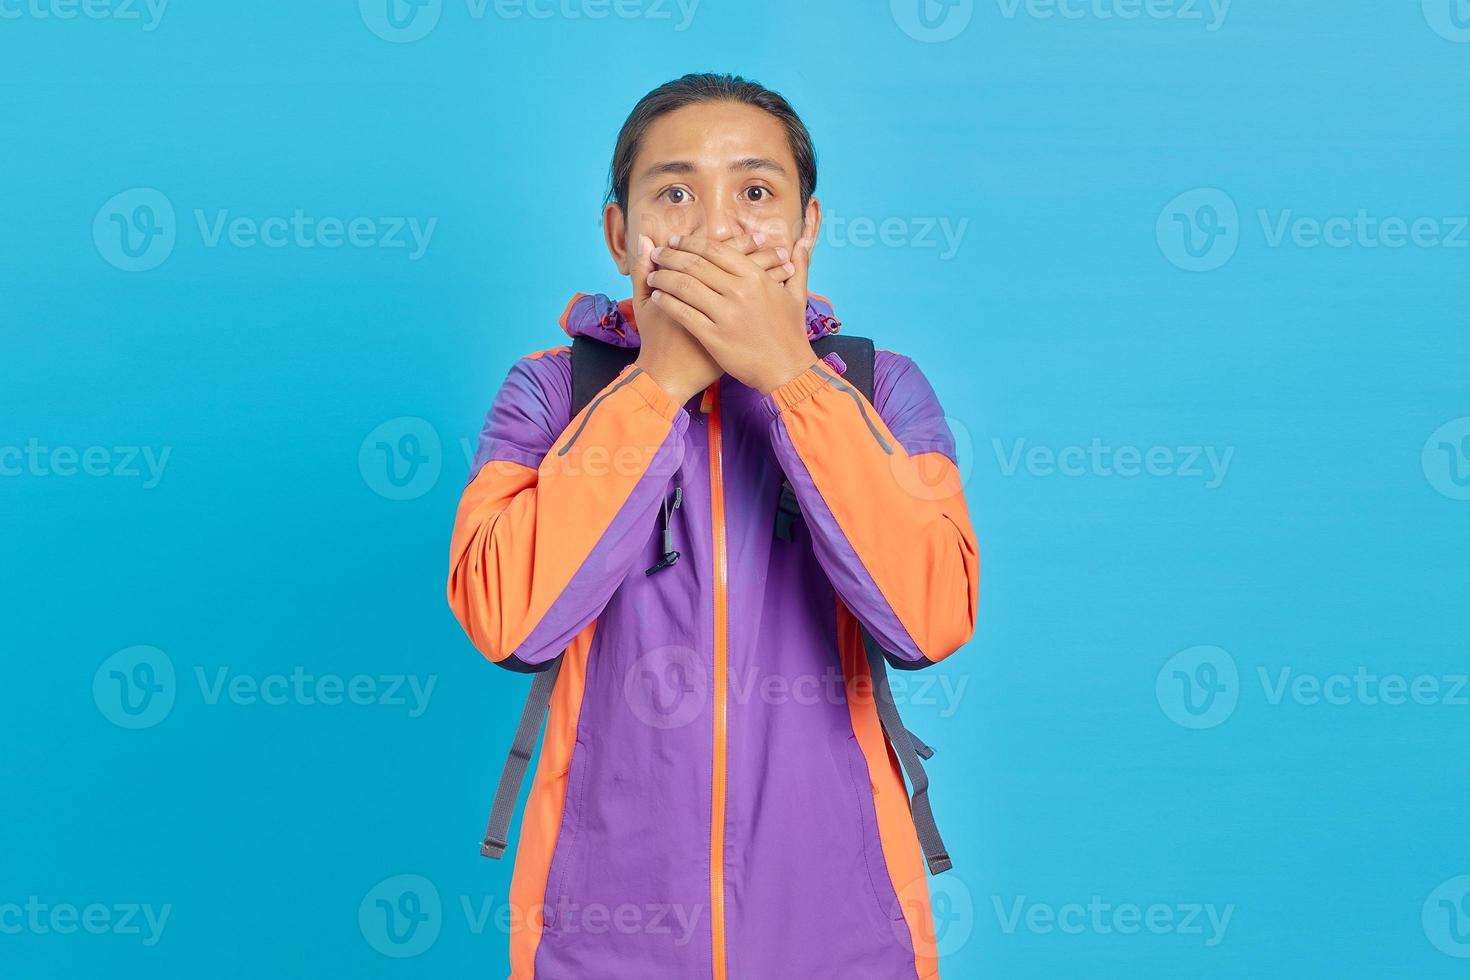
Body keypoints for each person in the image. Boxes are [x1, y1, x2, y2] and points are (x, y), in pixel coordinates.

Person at [447, 72, 980, 980]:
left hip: (846, 933)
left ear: (808, 230)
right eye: (675, 192)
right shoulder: (551, 391)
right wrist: (653, 388)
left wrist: (790, 380)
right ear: (620, 234)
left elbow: (928, 617)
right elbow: (511, 621)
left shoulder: (880, 389)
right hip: (601, 933)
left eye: (757, 191)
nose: (718, 228)